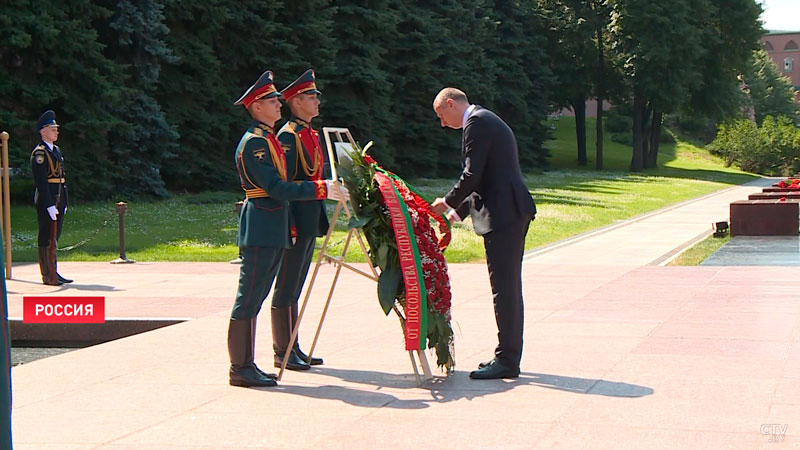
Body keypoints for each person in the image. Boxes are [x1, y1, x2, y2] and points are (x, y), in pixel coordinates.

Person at [228, 70, 348, 387]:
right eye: (271, 100)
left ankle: (251, 363)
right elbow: (276, 187)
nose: (278, 104)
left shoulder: (266, 139)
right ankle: (240, 367)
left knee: (261, 294)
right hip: (262, 224)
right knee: (250, 297)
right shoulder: (255, 143)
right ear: (255, 107)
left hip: (274, 223)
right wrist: (320, 189)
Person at [430, 88, 536, 380]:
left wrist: (447, 202)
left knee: (505, 289)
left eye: (442, 116)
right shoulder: (484, 119)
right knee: (508, 288)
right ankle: (508, 355)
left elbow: (471, 175)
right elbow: (485, 177)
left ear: (451, 104)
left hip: (505, 215)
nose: (443, 124)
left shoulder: (475, 122)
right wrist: (454, 214)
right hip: (509, 212)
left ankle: (507, 360)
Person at [271, 69, 327, 371]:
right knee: (287, 284)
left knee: (296, 285)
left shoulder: (309, 133)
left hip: (310, 217)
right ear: (295, 101)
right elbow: (286, 184)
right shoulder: (289, 136)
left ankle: (293, 346)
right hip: (295, 219)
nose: (317, 102)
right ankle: (283, 350)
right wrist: (289, 225)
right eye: (311, 97)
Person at [30, 110, 72, 286]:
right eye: (53, 129)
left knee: (55, 237)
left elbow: (61, 179)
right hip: (47, 201)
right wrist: (48, 204)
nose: (56, 131)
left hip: (58, 200)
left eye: (56, 129)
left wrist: (64, 202)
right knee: (46, 236)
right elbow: (41, 182)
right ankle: (47, 275)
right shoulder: (39, 154)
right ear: (43, 131)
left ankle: (54, 271)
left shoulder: (56, 150)